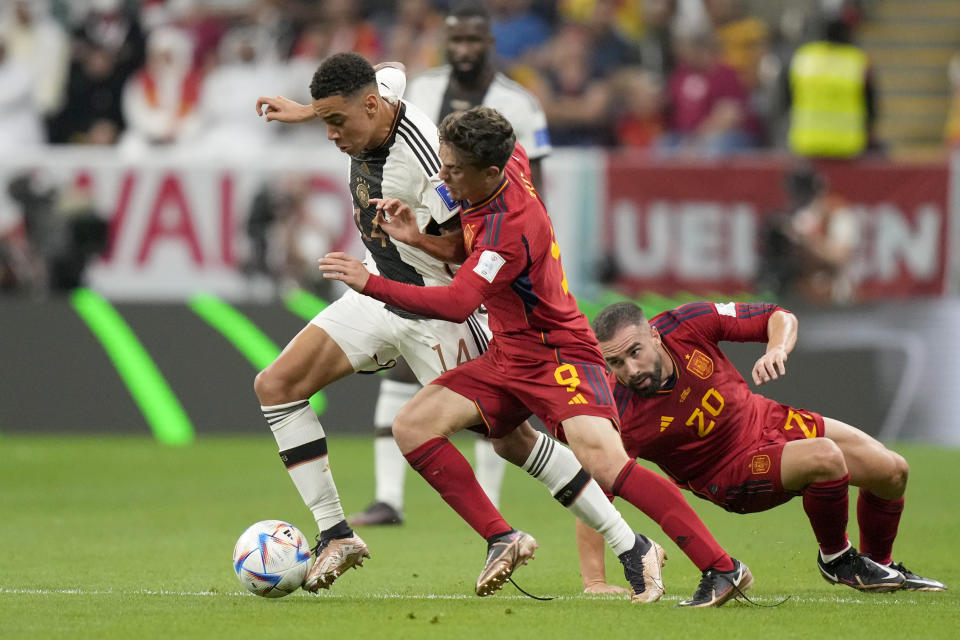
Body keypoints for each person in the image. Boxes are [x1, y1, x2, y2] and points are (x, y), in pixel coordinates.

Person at [254, 53, 678, 600]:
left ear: (371, 108)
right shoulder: (374, 97)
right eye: (327, 120)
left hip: (437, 309)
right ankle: (336, 532)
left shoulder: (428, 166)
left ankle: (629, 544)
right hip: (380, 291)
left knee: (511, 441)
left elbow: (466, 248)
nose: (332, 134)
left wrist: (408, 242)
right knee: (276, 387)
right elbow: (389, 70)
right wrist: (306, 111)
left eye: (338, 122)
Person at [319, 106, 749, 606]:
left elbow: (460, 303)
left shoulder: (510, 226)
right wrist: (417, 237)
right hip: (508, 353)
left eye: (454, 169)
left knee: (608, 466)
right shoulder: (510, 164)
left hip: (559, 354)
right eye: (444, 162)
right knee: (412, 426)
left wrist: (370, 282)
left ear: (489, 172)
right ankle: (502, 537)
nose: (442, 177)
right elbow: (469, 249)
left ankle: (722, 567)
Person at [581, 300, 947, 595]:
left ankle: (878, 564)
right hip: (728, 472)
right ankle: (838, 559)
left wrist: (776, 349)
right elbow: (597, 494)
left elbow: (778, 316)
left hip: (766, 418)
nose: (629, 369)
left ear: (655, 337)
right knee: (826, 457)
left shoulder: (688, 323)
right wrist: (595, 581)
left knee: (893, 471)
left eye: (635, 352)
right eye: (615, 362)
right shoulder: (617, 411)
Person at [350, 0, 553, 528]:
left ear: (490, 44)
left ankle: (491, 498)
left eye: (473, 42)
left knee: (493, 379)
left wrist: (515, 245)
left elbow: (533, 183)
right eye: (455, 40)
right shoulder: (422, 90)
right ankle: (387, 498)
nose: (463, 51)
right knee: (402, 361)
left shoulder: (520, 102)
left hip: (490, 249)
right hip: (425, 242)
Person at [786, 18, 875, 158]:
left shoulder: (804, 56)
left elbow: (788, 95)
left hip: (808, 142)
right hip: (847, 144)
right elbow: (870, 101)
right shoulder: (858, 60)